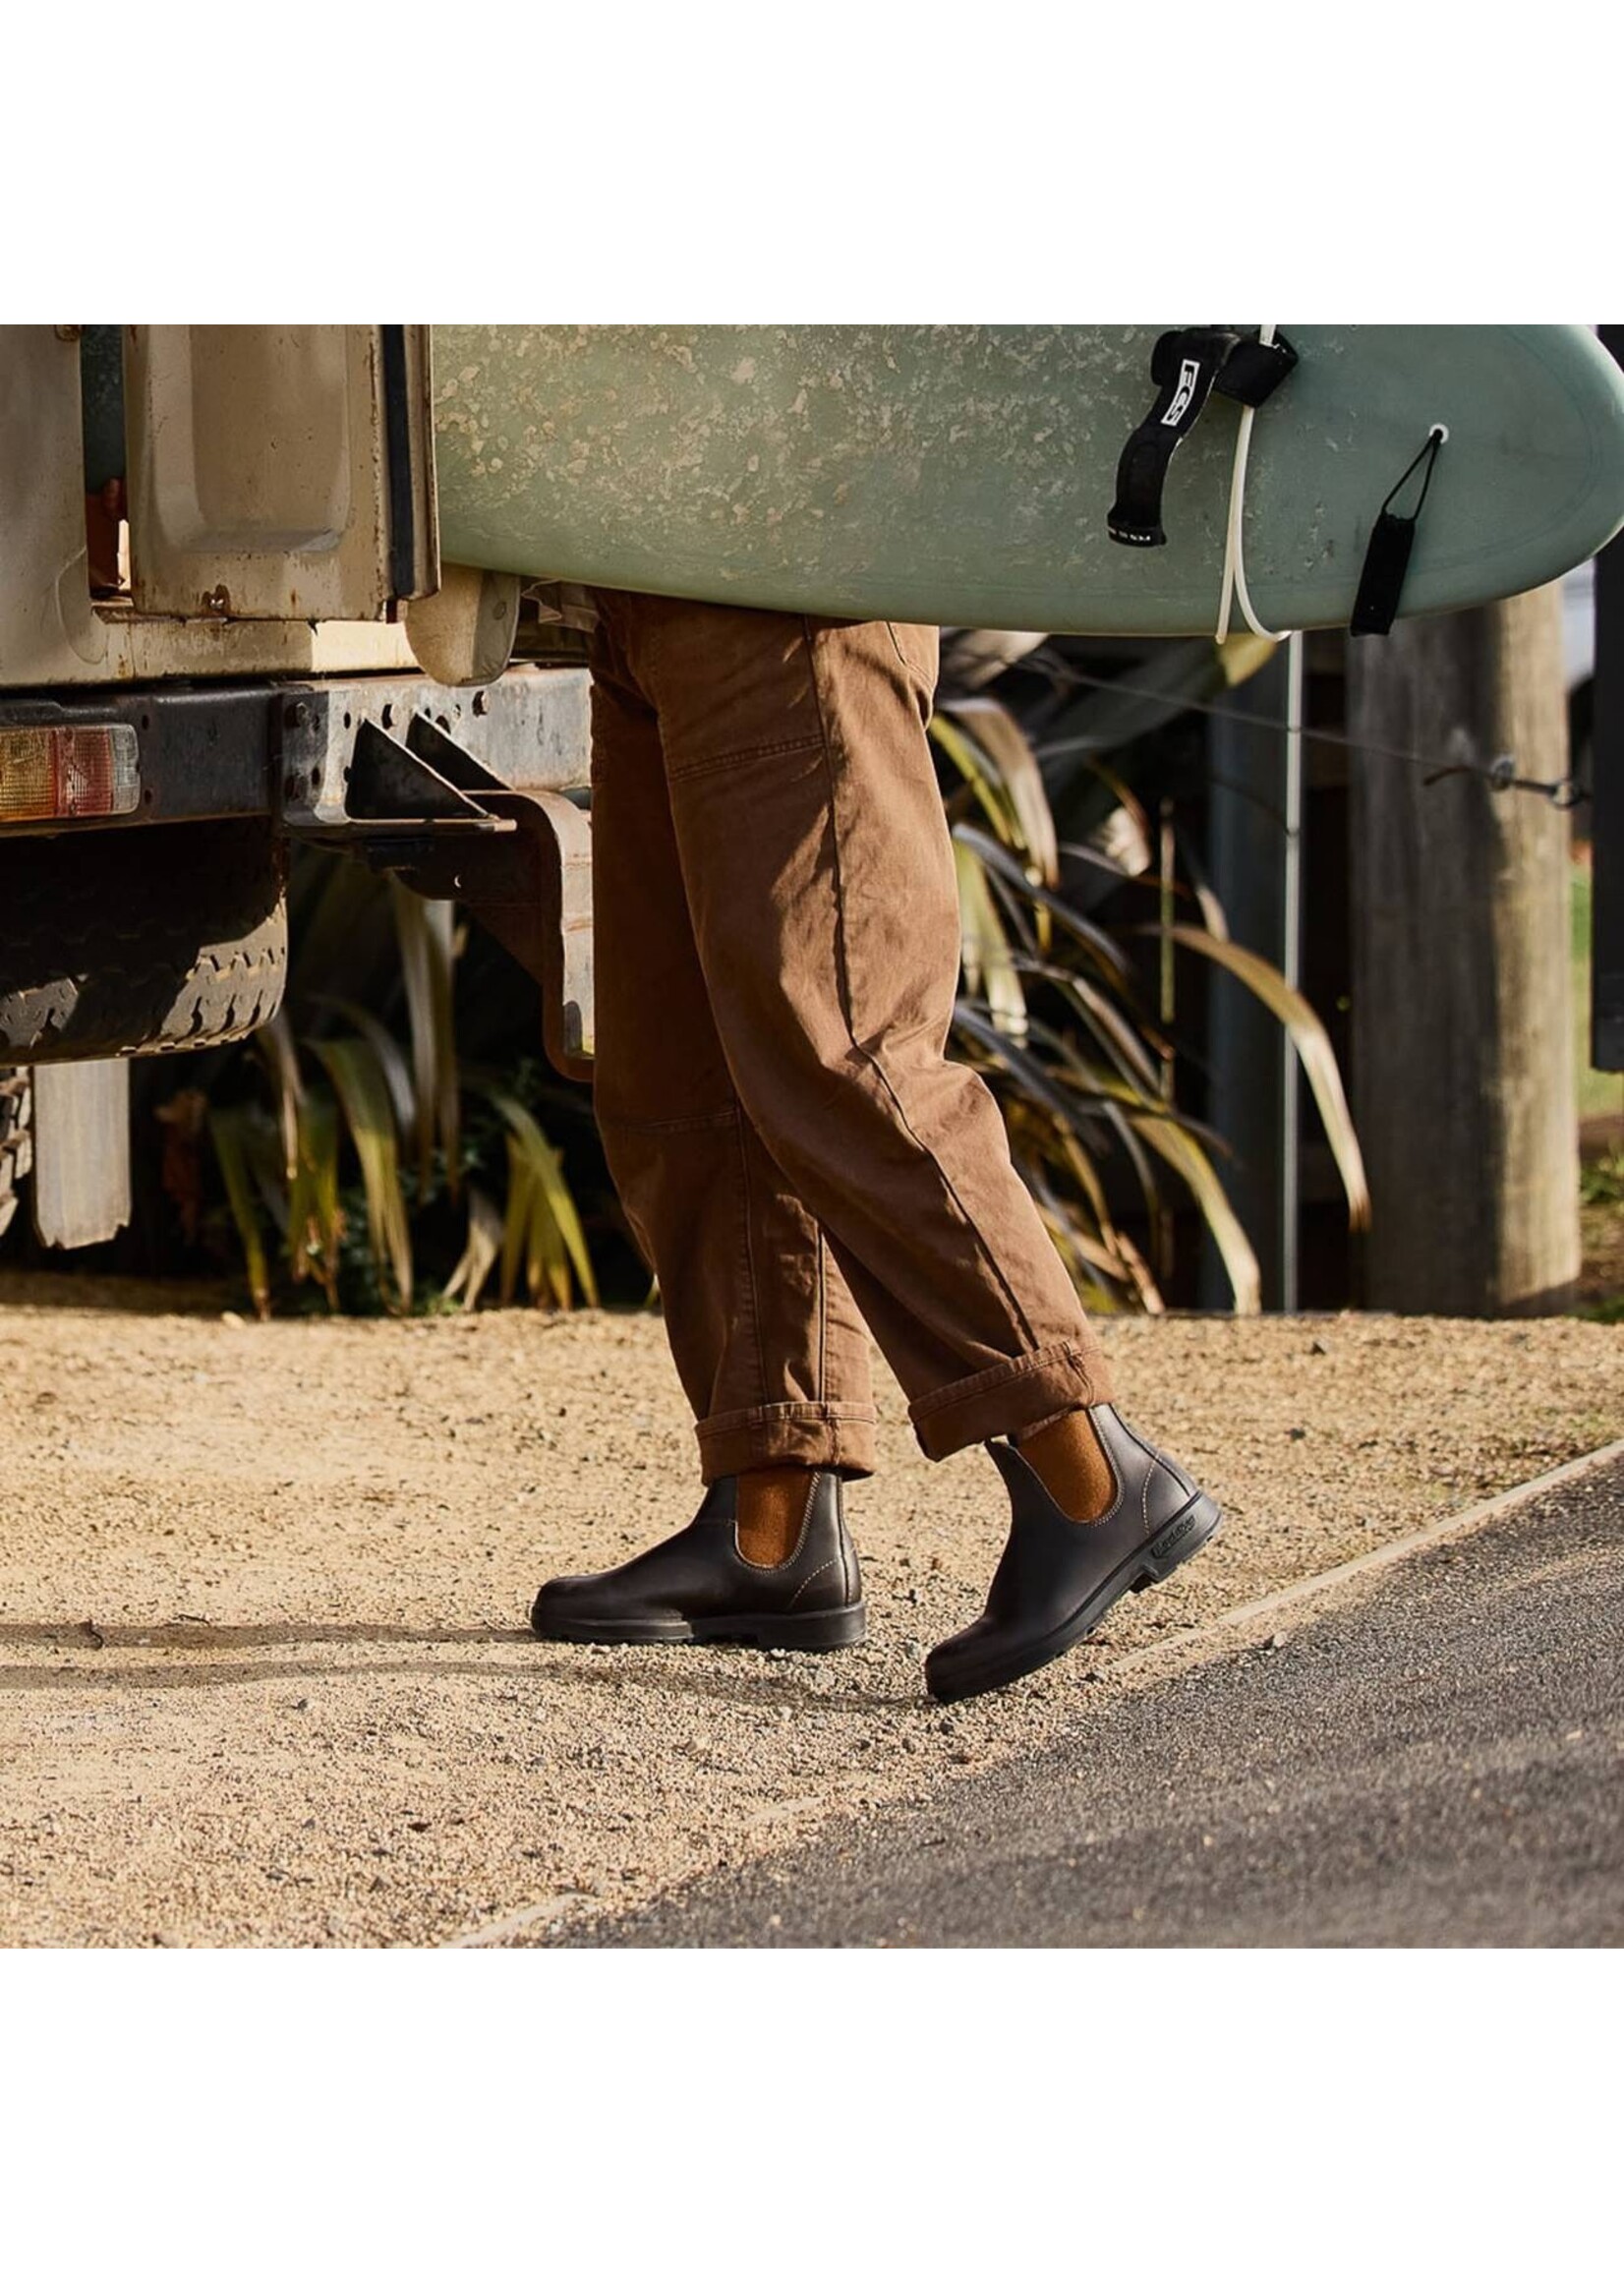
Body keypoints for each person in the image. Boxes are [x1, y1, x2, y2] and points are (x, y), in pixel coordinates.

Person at [529, 595, 1221, 1704]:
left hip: (783, 566)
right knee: (685, 1080)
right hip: (636, 586)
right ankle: (770, 1530)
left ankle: (1088, 1473)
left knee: (844, 1047)